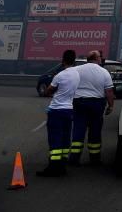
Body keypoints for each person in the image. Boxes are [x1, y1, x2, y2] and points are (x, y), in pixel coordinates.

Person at [38, 49, 80, 177]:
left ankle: (53, 167)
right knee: (65, 138)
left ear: (63, 60)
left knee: (55, 138)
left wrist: (47, 92)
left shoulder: (60, 75)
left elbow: (48, 91)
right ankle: (62, 165)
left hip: (56, 110)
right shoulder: (77, 74)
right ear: (74, 60)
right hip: (69, 110)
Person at [70, 50, 115, 166]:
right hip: (97, 104)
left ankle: (74, 159)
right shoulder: (104, 72)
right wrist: (111, 106)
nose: (102, 58)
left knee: (78, 130)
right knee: (95, 131)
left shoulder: (77, 70)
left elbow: (69, 85)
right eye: (100, 56)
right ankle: (94, 160)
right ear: (96, 58)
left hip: (79, 102)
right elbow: (109, 91)